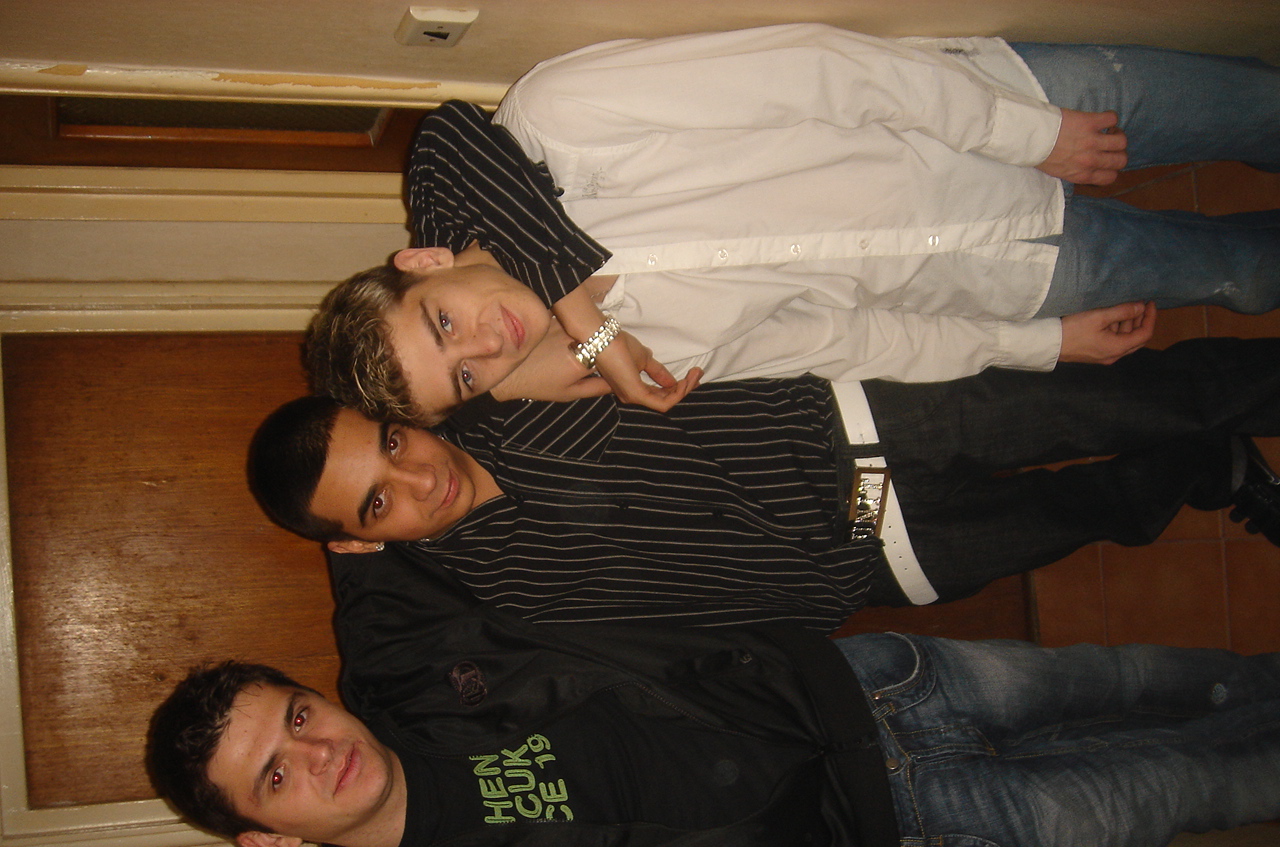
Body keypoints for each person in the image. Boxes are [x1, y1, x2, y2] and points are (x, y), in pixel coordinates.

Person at [147, 545, 1280, 847]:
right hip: (913, 843)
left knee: (1150, 676)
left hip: (874, 685)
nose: (318, 753)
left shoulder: (400, 661)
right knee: (1191, 784)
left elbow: (353, 458)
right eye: (276, 777)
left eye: (298, 716)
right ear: (265, 837)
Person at [304, 25, 1280, 424]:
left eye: (442, 323)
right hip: (1008, 273)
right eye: (465, 377)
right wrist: (1037, 344)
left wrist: (1026, 132)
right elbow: (843, 339)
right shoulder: (630, 363)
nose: (485, 345)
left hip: (1003, 116)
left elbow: (823, 72)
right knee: (1246, 277)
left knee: (1261, 109)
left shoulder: (553, 123)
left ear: (422, 259)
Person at [252, 332, 1280, 632]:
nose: (419, 474)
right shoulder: (508, 600)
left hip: (863, 425)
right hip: (883, 555)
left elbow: (458, 150)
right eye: (377, 500)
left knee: (1122, 400)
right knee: (1090, 511)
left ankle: (1241, 399)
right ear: (357, 542)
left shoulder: (497, 389)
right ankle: (1212, 466)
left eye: (392, 441)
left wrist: (590, 334)